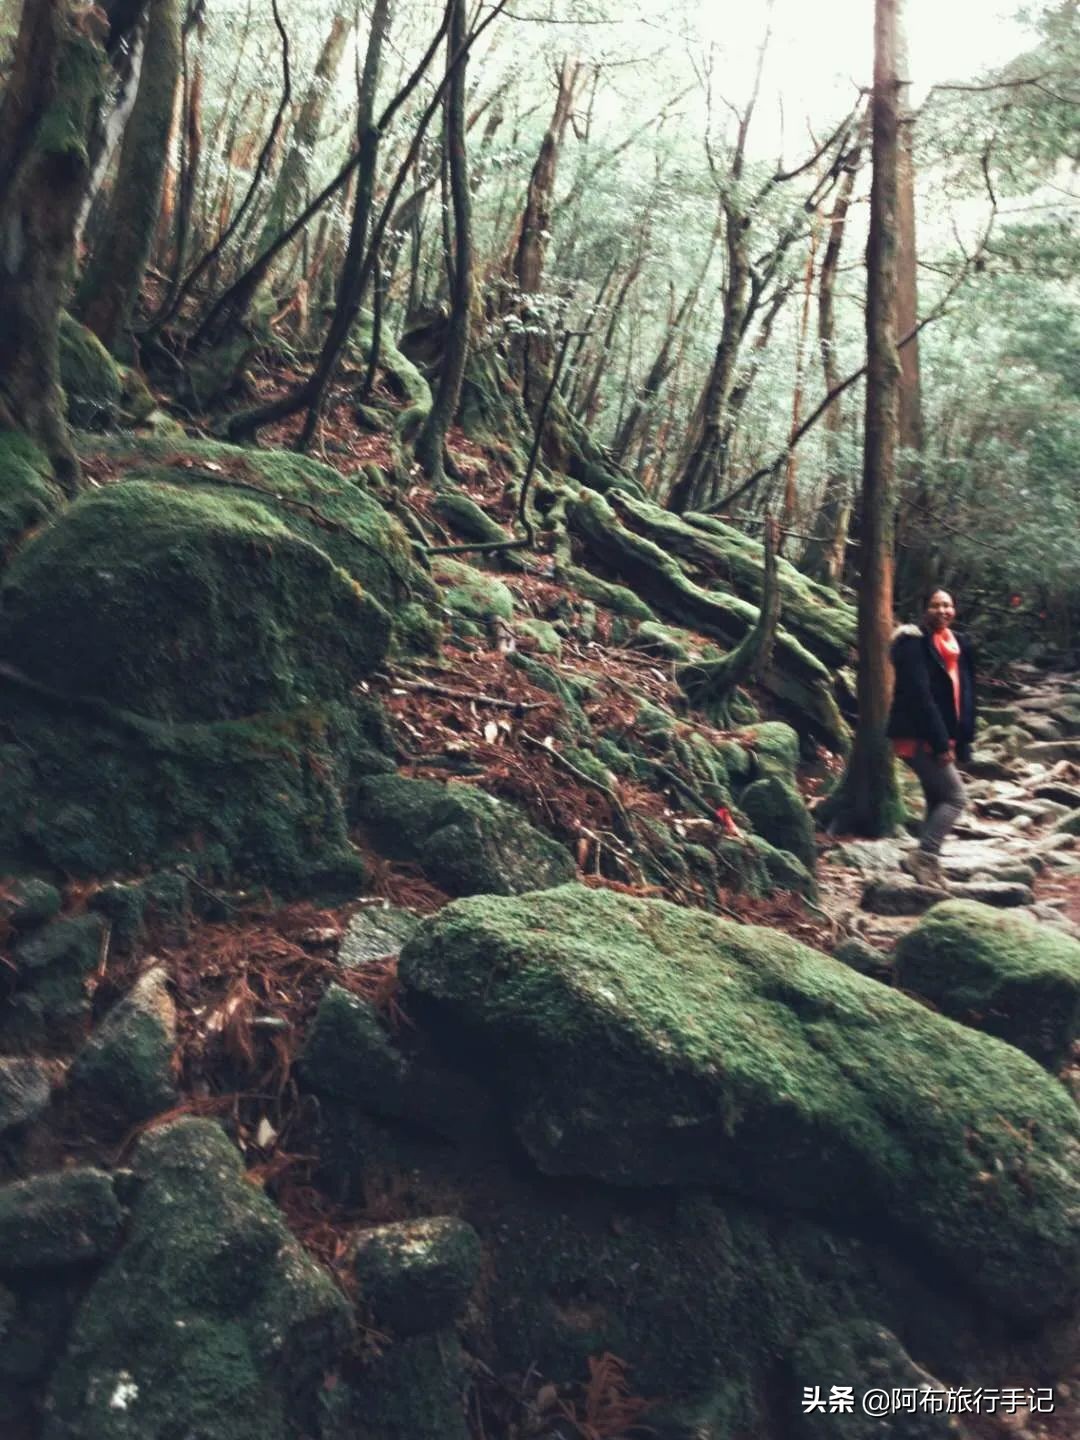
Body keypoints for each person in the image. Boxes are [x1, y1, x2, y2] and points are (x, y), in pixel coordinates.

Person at [886, 588, 976, 888]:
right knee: (955, 797)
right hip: (920, 734)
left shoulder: (958, 643)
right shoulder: (913, 644)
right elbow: (921, 698)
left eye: (948, 605)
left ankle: (926, 868)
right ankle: (924, 855)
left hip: (944, 734)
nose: (943, 610)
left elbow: (966, 693)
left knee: (937, 798)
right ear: (925, 608)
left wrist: (962, 740)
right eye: (936, 605)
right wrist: (939, 743)